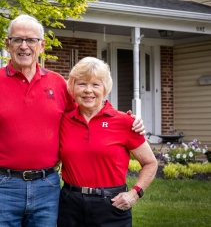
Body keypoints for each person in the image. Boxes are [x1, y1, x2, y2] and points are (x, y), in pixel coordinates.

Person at [0, 15, 144, 227]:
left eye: (31, 40)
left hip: (47, 187)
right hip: (2, 187)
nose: (24, 46)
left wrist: (126, 119)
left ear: (42, 45)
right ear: (7, 44)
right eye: (17, 39)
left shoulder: (57, 84)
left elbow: (88, 110)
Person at [57, 57, 158, 227]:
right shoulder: (63, 120)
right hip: (69, 205)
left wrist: (134, 194)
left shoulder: (125, 122)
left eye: (95, 84)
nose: (88, 90)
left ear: (105, 88)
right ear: (73, 87)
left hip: (111, 205)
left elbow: (150, 163)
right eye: (82, 84)